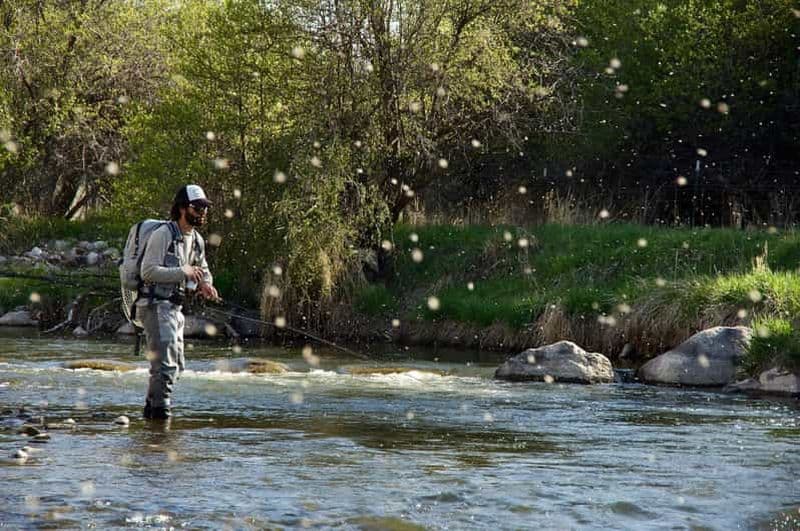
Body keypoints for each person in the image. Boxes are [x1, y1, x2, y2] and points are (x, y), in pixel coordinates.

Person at [138, 184, 219, 420]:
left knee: (177, 365)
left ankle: (151, 418)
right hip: (154, 305)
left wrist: (206, 284)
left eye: (205, 208)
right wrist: (182, 271)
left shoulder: (197, 240)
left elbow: (203, 270)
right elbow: (147, 271)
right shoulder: (163, 234)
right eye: (197, 207)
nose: (203, 212)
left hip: (175, 308)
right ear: (182, 208)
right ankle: (161, 416)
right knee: (165, 366)